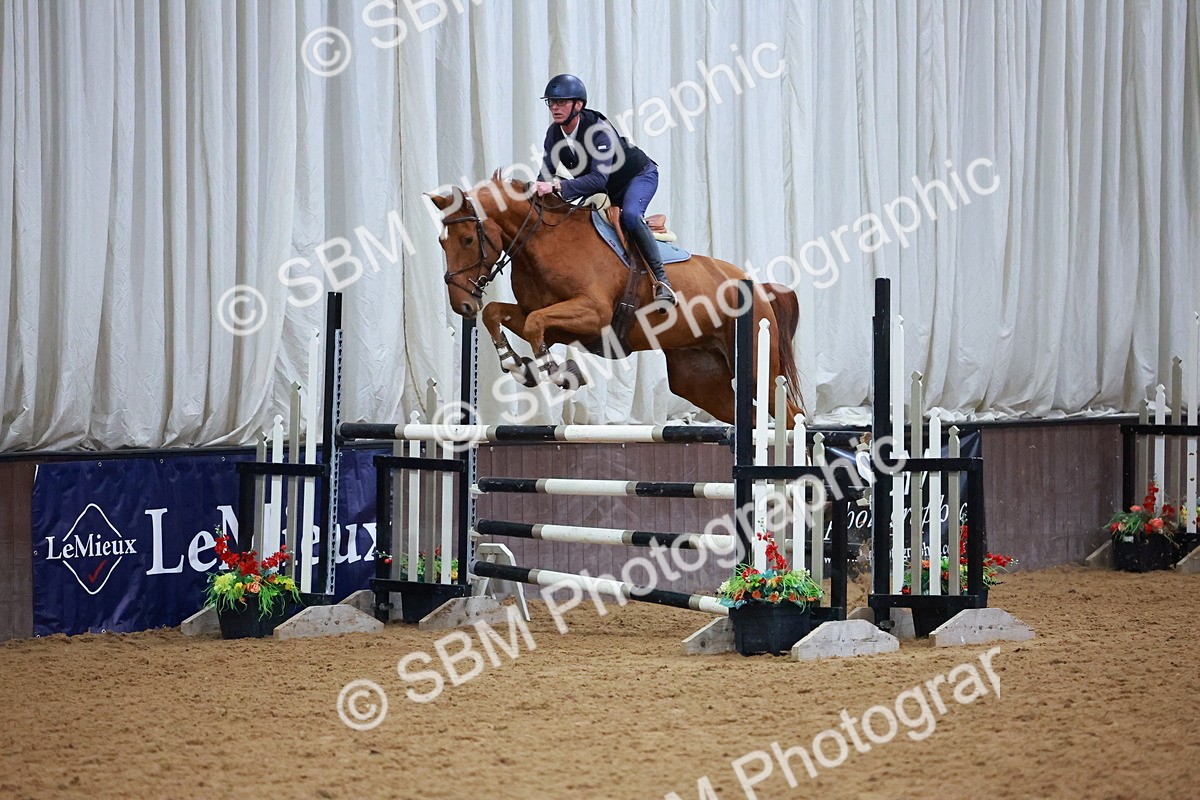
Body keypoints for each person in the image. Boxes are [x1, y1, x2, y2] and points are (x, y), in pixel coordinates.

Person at [533, 74, 677, 307]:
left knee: (630, 215)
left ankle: (663, 282)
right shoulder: (553, 134)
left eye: (561, 102)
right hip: (607, 188)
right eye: (551, 102)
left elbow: (598, 180)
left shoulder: (599, 131)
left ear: (578, 105)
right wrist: (534, 192)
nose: (554, 107)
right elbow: (546, 174)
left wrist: (557, 185)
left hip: (638, 176)